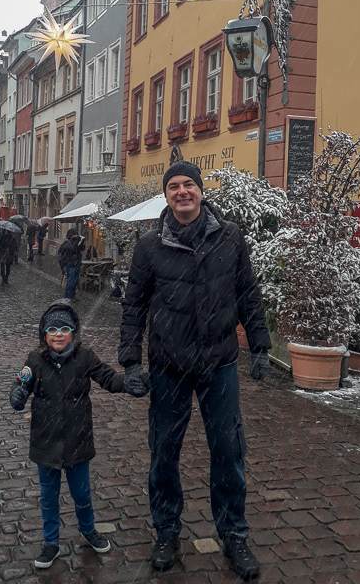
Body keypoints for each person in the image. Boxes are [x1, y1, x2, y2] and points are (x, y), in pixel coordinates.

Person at [118, 161, 271, 580]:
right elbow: (134, 306)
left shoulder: (229, 237)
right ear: (166, 196)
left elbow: (248, 294)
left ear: (200, 191)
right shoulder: (149, 246)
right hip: (169, 365)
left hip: (219, 362)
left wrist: (260, 346)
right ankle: (166, 532)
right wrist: (131, 360)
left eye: (188, 185)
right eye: (174, 187)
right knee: (164, 454)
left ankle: (234, 534)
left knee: (228, 451)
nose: (182, 191)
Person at [9, 299, 143, 569]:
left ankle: (88, 529)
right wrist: (18, 395)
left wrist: (129, 383)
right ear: (44, 334)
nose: (59, 334)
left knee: (81, 493)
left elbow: (108, 378)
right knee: (49, 496)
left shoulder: (85, 357)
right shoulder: (35, 360)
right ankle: (51, 542)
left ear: (73, 332)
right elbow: (20, 386)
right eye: (53, 329)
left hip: (77, 440)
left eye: (65, 328)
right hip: (45, 442)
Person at [57, 229, 85, 300]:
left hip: (76, 264)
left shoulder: (75, 242)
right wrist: (63, 267)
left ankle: (72, 296)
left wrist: (81, 242)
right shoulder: (67, 243)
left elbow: (81, 249)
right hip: (70, 264)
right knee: (71, 281)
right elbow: (72, 250)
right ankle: (68, 297)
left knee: (74, 281)